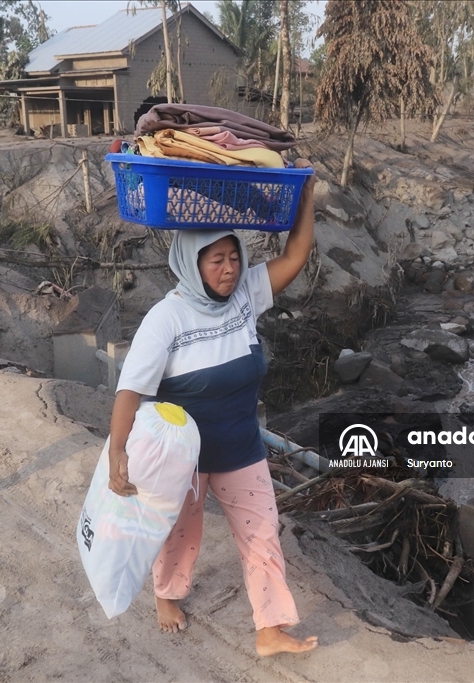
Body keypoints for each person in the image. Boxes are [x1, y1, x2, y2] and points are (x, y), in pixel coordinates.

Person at [107, 160, 318, 657]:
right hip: (186, 456)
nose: (228, 270)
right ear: (190, 263)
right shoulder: (167, 318)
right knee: (180, 529)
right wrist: (118, 449)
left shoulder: (246, 294)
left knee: (263, 531)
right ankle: (166, 594)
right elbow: (130, 390)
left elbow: (297, 253)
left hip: (242, 445)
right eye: (214, 260)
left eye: (232, 257)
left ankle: (270, 628)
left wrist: (306, 200)